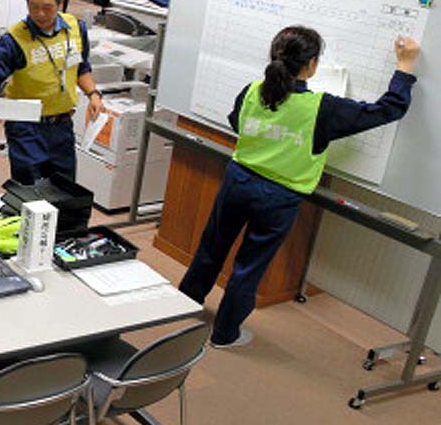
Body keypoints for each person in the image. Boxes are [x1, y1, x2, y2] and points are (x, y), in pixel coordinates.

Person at [179, 28, 420, 348]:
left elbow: (237, 122)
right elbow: (388, 109)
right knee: (248, 267)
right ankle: (224, 335)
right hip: (279, 196)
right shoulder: (323, 108)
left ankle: (181, 309)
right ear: (312, 65)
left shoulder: (252, 90)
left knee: (212, 248)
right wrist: (405, 66)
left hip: (238, 181)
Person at [0, 0, 106, 184]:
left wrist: (93, 94)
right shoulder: (14, 39)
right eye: (33, 6)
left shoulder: (75, 28)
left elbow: (81, 67)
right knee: (30, 194)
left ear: (60, 2)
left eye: (47, 7)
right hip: (25, 126)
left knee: (64, 190)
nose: (40, 14)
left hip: (62, 124)